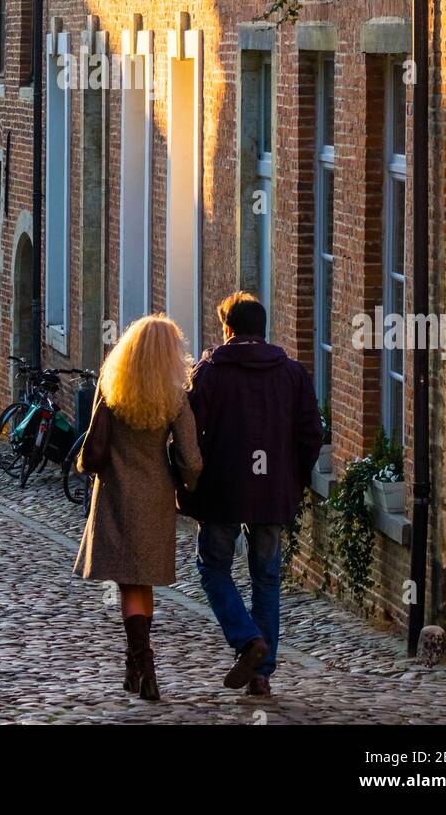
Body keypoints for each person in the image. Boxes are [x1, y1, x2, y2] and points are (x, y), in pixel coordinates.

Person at [179, 291, 323, 697]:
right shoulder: (292, 374)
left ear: (228, 329)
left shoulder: (209, 372)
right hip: (272, 491)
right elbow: (312, 433)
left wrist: (188, 479)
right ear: (263, 329)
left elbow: (190, 434)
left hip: (223, 489)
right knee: (266, 578)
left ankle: (247, 641)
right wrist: (292, 478)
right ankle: (262, 671)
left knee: (213, 568)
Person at [74, 314, 202, 701]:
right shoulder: (174, 396)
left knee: (130, 581)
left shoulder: (112, 385)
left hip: (115, 491)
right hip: (155, 496)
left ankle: (141, 665)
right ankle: (139, 666)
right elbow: (191, 459)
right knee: (141, 580)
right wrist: (188, 488)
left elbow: (94, 437)